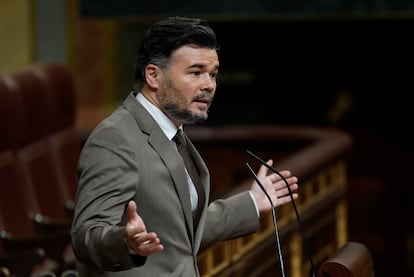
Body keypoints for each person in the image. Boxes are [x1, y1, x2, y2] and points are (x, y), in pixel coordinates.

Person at [70, 16, 299, 277]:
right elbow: (85, 235)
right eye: (195, 72)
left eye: (213, 74)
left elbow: (178, 229)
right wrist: (124, 242)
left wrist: (252, 202)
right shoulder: (115, 139)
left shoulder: (173, 133)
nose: (209, 85)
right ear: (154, 76)